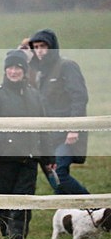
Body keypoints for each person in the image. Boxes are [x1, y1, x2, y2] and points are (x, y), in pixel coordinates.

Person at [0, 50, 55, 239]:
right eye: (10, 67)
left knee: (24, 205)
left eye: (18, 67)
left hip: (28, 161)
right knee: (6, 203)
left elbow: (43, 128)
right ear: (5, 70)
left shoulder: (35, 96)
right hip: (3, 161)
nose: (14, 71)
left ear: (25, 71)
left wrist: (48, 157)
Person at [24, 29, 90, 194]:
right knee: (55, 180)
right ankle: (74, 216)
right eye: (36, 47)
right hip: (49, 136)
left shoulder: (67, 66)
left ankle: (98, 209)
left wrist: (74, 128)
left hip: (67, 135)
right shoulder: (39, 72)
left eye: (43, 46)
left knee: (59, 174)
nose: (39, 50)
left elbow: (79, 97)